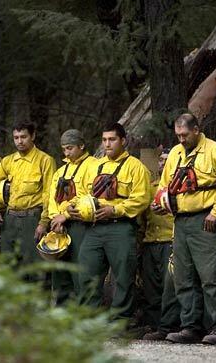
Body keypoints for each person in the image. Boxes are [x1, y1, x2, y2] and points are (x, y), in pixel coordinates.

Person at [155, 113, 216, 345]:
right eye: (178, 135)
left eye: (185, 135)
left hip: (207, 220)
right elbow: (165, 184)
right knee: (184, 276)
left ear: (196, 130)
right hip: (181, 221)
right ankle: (190, 326)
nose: (181, 139)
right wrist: (162, 202)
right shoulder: (175, 153)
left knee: (212, 275)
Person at [78, 123, 151, 320]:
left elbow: (142, 199)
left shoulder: (136, 167)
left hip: (120, 227)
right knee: (87, 272)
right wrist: (75, 207)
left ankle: (120, 320)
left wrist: (115, 210)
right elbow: (83, 193)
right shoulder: (94, 166)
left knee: (123, 276)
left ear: (123, 141)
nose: (107, 144)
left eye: (112, 139)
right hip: (93, 228)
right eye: (104, 140)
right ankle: (88, 319)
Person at [0, 122, 56, 276]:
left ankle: (37, 300)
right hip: (9, 220)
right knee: (9, 266)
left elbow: (50, 194)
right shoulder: (8, 161)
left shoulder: (45, 160)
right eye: (16, 137)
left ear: (33, 136)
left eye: (23, 137)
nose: (19, 141)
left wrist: (43, 223)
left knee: (35, 268)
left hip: (33, 219)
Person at [47, 129, 98, 304]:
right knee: (60, 271)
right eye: (64, 149)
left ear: (81, 145)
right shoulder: (60, 171)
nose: (67, 153)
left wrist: (66, 215)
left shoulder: (93, 165)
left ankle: (83, 313)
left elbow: (88, 194)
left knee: (80, 270)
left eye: (70, 148)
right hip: (60, 226)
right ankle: (61, 313)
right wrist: (56, 218)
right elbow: (52, 197)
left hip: (81, 226)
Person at [141, 148, 181, 340]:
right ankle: (153, 324)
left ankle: (169, 325)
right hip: (150, 241)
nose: (163, 163)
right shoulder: (151, 186)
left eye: (168, 160)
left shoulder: (180, 187)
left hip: (170, 240)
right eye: (161, 160)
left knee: (169, 287)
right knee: (151, 286)